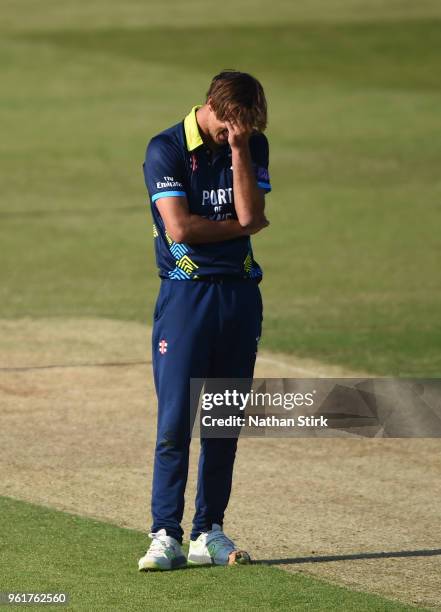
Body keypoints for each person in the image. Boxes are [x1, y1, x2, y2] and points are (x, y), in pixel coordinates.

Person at [138, 70, 271, 571]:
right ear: (213, 106)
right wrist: (237, 224)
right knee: (175, 421)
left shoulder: (250, 144)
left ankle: (207, 531)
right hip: (186, 298)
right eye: (232, 128)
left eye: (248, 130)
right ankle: (164, 533)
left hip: (239, 298)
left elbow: (252, 215)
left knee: (223, 423)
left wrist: (238, 153)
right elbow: (178, 228)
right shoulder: (166, 148)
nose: (238, 135)